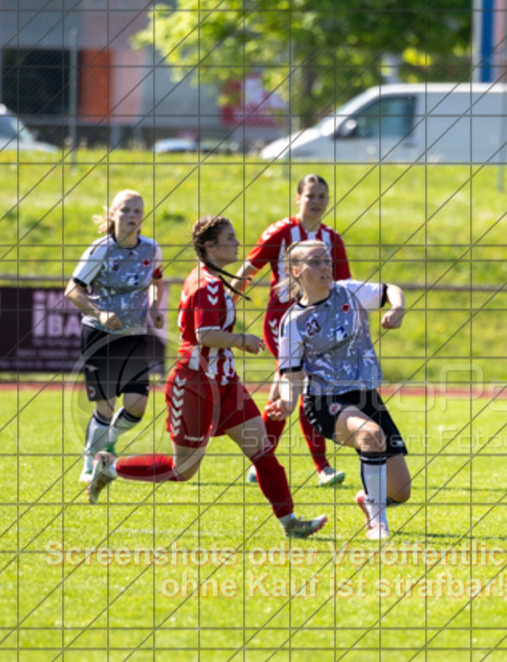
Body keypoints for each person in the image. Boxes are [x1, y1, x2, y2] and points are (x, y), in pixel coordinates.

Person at [87, 216, 328, 539]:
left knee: (263, 452)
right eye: (230, 239)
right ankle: (110, 467)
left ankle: (291, 523)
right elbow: (204, 334)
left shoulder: (213, 278)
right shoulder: (206, 284)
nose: (237, 244)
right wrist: (243, 340)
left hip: (225, 383)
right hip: (195, 384)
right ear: (210, 247)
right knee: (183, 471)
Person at [267, 240, 411, 540]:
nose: (324, 267)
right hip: (325, 401)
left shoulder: (349, 292)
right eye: (315, 262)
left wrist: (398, 308)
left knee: (401, 491)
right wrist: (287, 404)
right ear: (296, 271)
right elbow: (292, 374)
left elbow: (389, 289)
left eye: (326, 261)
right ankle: (376, 523)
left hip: (366, 396)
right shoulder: (293, 322)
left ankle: (368, 497)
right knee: (370, 435)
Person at [233, 174, 350, 487]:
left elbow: (344, 287)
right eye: (310, 195)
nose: (316, 201)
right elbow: (249, 269)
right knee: (295, 383)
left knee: (293, 388)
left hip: (317, 323)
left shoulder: (332, 239)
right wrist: (226, 305)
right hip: (281, 322)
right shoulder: (282, 232)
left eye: (322, 196)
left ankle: (266, 462)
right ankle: (318, 466)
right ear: (298, 198)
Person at [65, 189, 166, 483]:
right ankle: (90, 462)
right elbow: (72, 290)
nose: (132, 216)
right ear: (112, 214)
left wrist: (156, 306)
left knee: (137, 406)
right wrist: (100, 313)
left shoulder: (151, 249)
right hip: (100, 335)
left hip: (134, 334)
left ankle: (105, 442)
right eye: (125, 210)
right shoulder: (100, 249)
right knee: (106, 405)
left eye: (137, 211)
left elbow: (157, 278)